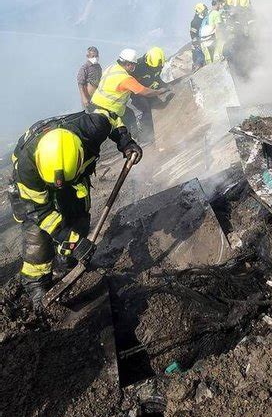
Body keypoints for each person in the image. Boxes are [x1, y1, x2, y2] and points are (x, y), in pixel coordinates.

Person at [9, 109, 142, 306]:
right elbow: (39, 212)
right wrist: (74, 241)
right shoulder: (27, 170)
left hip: (72, 177)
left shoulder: (92, 127)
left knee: (77, 213)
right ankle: (36, 283)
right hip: (35, 187)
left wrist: (125, 142)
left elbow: (112, 118)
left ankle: (67, 263)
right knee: (36, 232)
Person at [90, 48, 166, 136]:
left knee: (129, 115)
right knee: (122, 126)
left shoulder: (112, 68)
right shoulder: (125, 78)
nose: (134, 67)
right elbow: (145, 92)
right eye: (133, 65)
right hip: (108, 108)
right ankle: (138, 139)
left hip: (95, 103)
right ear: (128, 64)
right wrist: (159, 91)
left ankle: (136, 137)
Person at [131, 47, 171, 140]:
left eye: (157, 68)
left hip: (151, 91)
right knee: (146, 109)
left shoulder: (158, 65)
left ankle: (161, 129)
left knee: (159, 106)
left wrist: (165, 86)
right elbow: (133, 85)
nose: (155, 69)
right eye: (153, 68)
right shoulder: (137, 67)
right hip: (137, 93)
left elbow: (156, 78)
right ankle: (145, 136)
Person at [190, 3, 208, 70]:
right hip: (197, 48)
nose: (205, 13)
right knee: (200, 62)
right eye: (204, 11)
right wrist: (198, 43)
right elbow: (193, 35)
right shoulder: (195, 22)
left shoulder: (202, 20)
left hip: (201, 44)